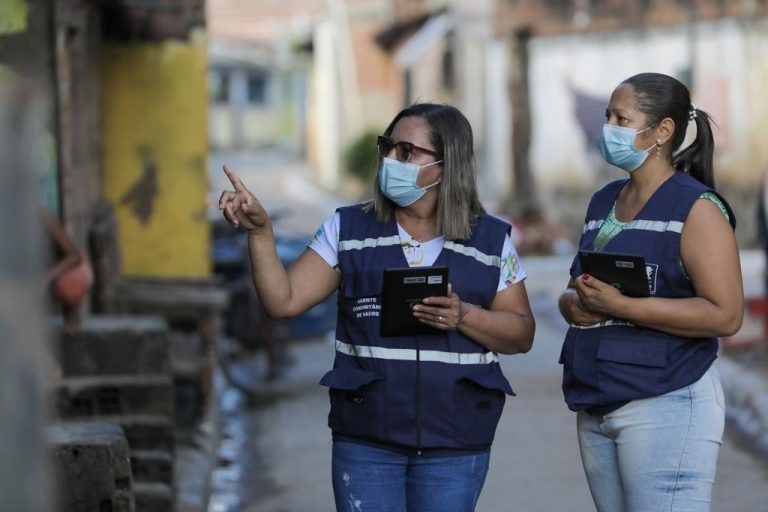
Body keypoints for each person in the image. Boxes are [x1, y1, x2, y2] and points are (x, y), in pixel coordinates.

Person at [219, 103, 535, 511]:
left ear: (445, 165)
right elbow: (284, 300)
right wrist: (261, 232)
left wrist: (465, 316)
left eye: (407, 152)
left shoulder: (491, 242)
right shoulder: (347, 229)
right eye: (387, 147)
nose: (390, 160)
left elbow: (521, 333)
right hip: (367, 442)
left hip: (456, 442)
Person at [557, 72, 743, 511]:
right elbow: (574, 287)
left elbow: (726, 315)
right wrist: (572, 305)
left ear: (662, 131)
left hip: (667, 402)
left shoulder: (696, 208)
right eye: (608, 116)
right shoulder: (603, 201)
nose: (608, 128)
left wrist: (623, 306)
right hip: (598, 402)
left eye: (621, 119)